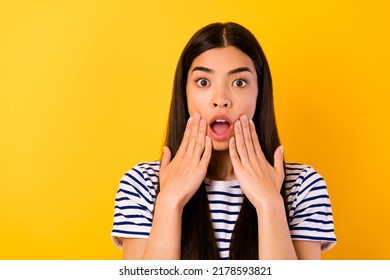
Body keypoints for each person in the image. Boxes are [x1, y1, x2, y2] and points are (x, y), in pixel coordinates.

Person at [111, 22, 337, 260]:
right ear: (184, 91)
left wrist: (270, 203)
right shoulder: (142, 184)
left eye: (239, 82)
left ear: (260, 92)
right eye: (203, 82)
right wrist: (169, 202)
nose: (221, 100)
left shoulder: (301, 186)